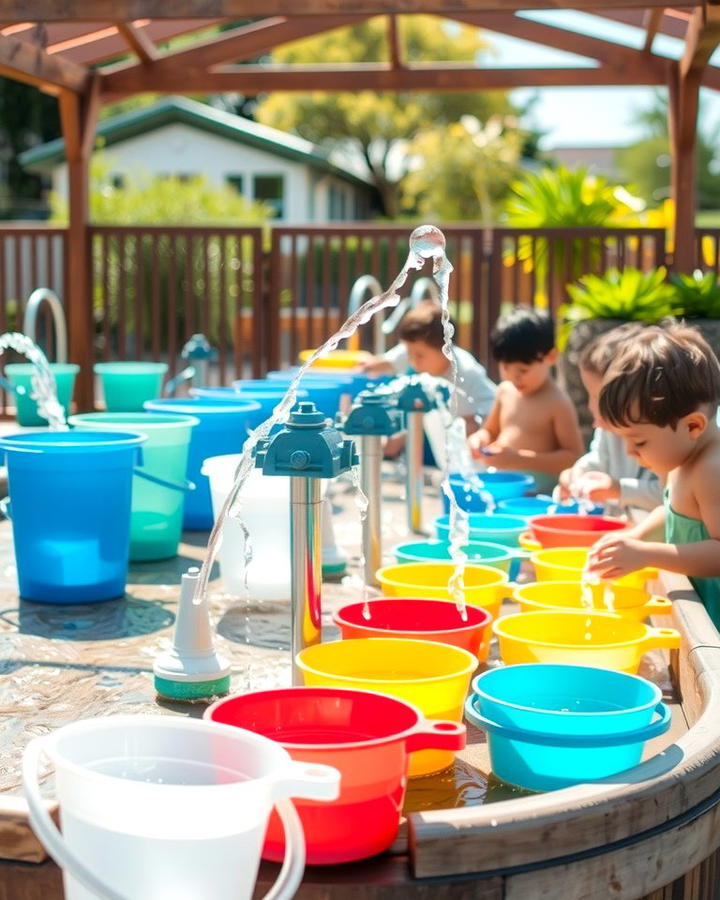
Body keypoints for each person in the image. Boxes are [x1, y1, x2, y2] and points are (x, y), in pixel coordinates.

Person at [586, 324, 720, 627]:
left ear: (693, 426)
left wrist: (646, 553)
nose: (631, 453)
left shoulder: (712, 470)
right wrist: (635, 537)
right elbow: (675, 514)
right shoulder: (683, 460)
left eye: (639, 441)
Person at [468, 306, 584, 495]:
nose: (514, 378)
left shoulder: (557, 402)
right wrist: (479, 439)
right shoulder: (505, 391)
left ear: (551, 357)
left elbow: (572, 457)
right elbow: (490, 430)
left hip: (539, 495)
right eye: (506, 368)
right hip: (503, 487)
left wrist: (518, 459)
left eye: (523, 370)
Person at [557, 323, 662, 514]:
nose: (590, 405)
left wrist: (619, 489)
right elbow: (598, 459)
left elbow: (668, 494)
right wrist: (578, 473)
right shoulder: (607, 431)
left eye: (597, 397)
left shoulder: (659, 435)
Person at [362, 301, 496, 433]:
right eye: (409, 353)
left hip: (470, 429)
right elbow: (379, 364)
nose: (413, 361)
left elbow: (482, 421)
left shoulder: (465, 374)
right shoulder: (416, 349)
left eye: (419, 356)